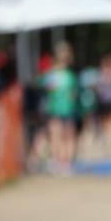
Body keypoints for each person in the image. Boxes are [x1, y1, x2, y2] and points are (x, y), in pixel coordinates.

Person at [41, 42, 79, 174]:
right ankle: (57, 161)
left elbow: (73, 94)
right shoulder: (52, 74)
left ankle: (66, 161)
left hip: (67, 110)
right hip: (55, 110)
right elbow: (48, 89)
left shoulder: (70, 75)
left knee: (67, 136)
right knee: (56, 135)